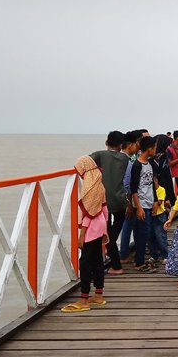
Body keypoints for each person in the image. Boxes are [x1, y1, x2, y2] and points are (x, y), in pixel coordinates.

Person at [61, 156, 109, 313]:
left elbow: (89, 213)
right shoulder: (99, 183)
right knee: (97, 260)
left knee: (85, 263)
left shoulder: (90, 187)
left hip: (92, 228)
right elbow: (104, 209)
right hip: (100, 225)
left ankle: (84, 299)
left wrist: (82, 235)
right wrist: (105, 229)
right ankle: (99, 295)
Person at [89, 131, 129, 275]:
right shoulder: (124, 159)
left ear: (106, 142)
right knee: (112, 234)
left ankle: (116, 266)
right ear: (120, 145)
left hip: (104, 201)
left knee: (105, 235)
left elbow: (82, 164)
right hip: (120, 201)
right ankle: (113, 261)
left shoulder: (99, 155)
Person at [130, 135, 159, 273]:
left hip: (149, 202)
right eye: (155, 148)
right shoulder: (137, 165)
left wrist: (155, 201)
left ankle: (140, 259)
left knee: (145, 232)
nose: (156, 150)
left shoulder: (150, 164)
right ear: (149, 149)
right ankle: (139, 262)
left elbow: (152, 184)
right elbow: (133, 189)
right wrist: (138, 207)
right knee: (142, 233)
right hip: (141, 204)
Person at [118, 131, 141, 262]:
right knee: (128, 224)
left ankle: (124, 252)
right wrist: (129, 203)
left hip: (115, 196)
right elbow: (127, 183)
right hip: (127, 198)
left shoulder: (117, 157)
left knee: (125, 225)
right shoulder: (128, 160)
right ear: (132, 145)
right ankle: (124, 254)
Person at [150, 181, 169, 266]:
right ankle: (154, 255)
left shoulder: (161, 189)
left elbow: (159, 202)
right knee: (151, 237)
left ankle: (165, 255)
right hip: (151, 216)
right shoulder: (149, 190)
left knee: (160, 236)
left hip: (160, 215)